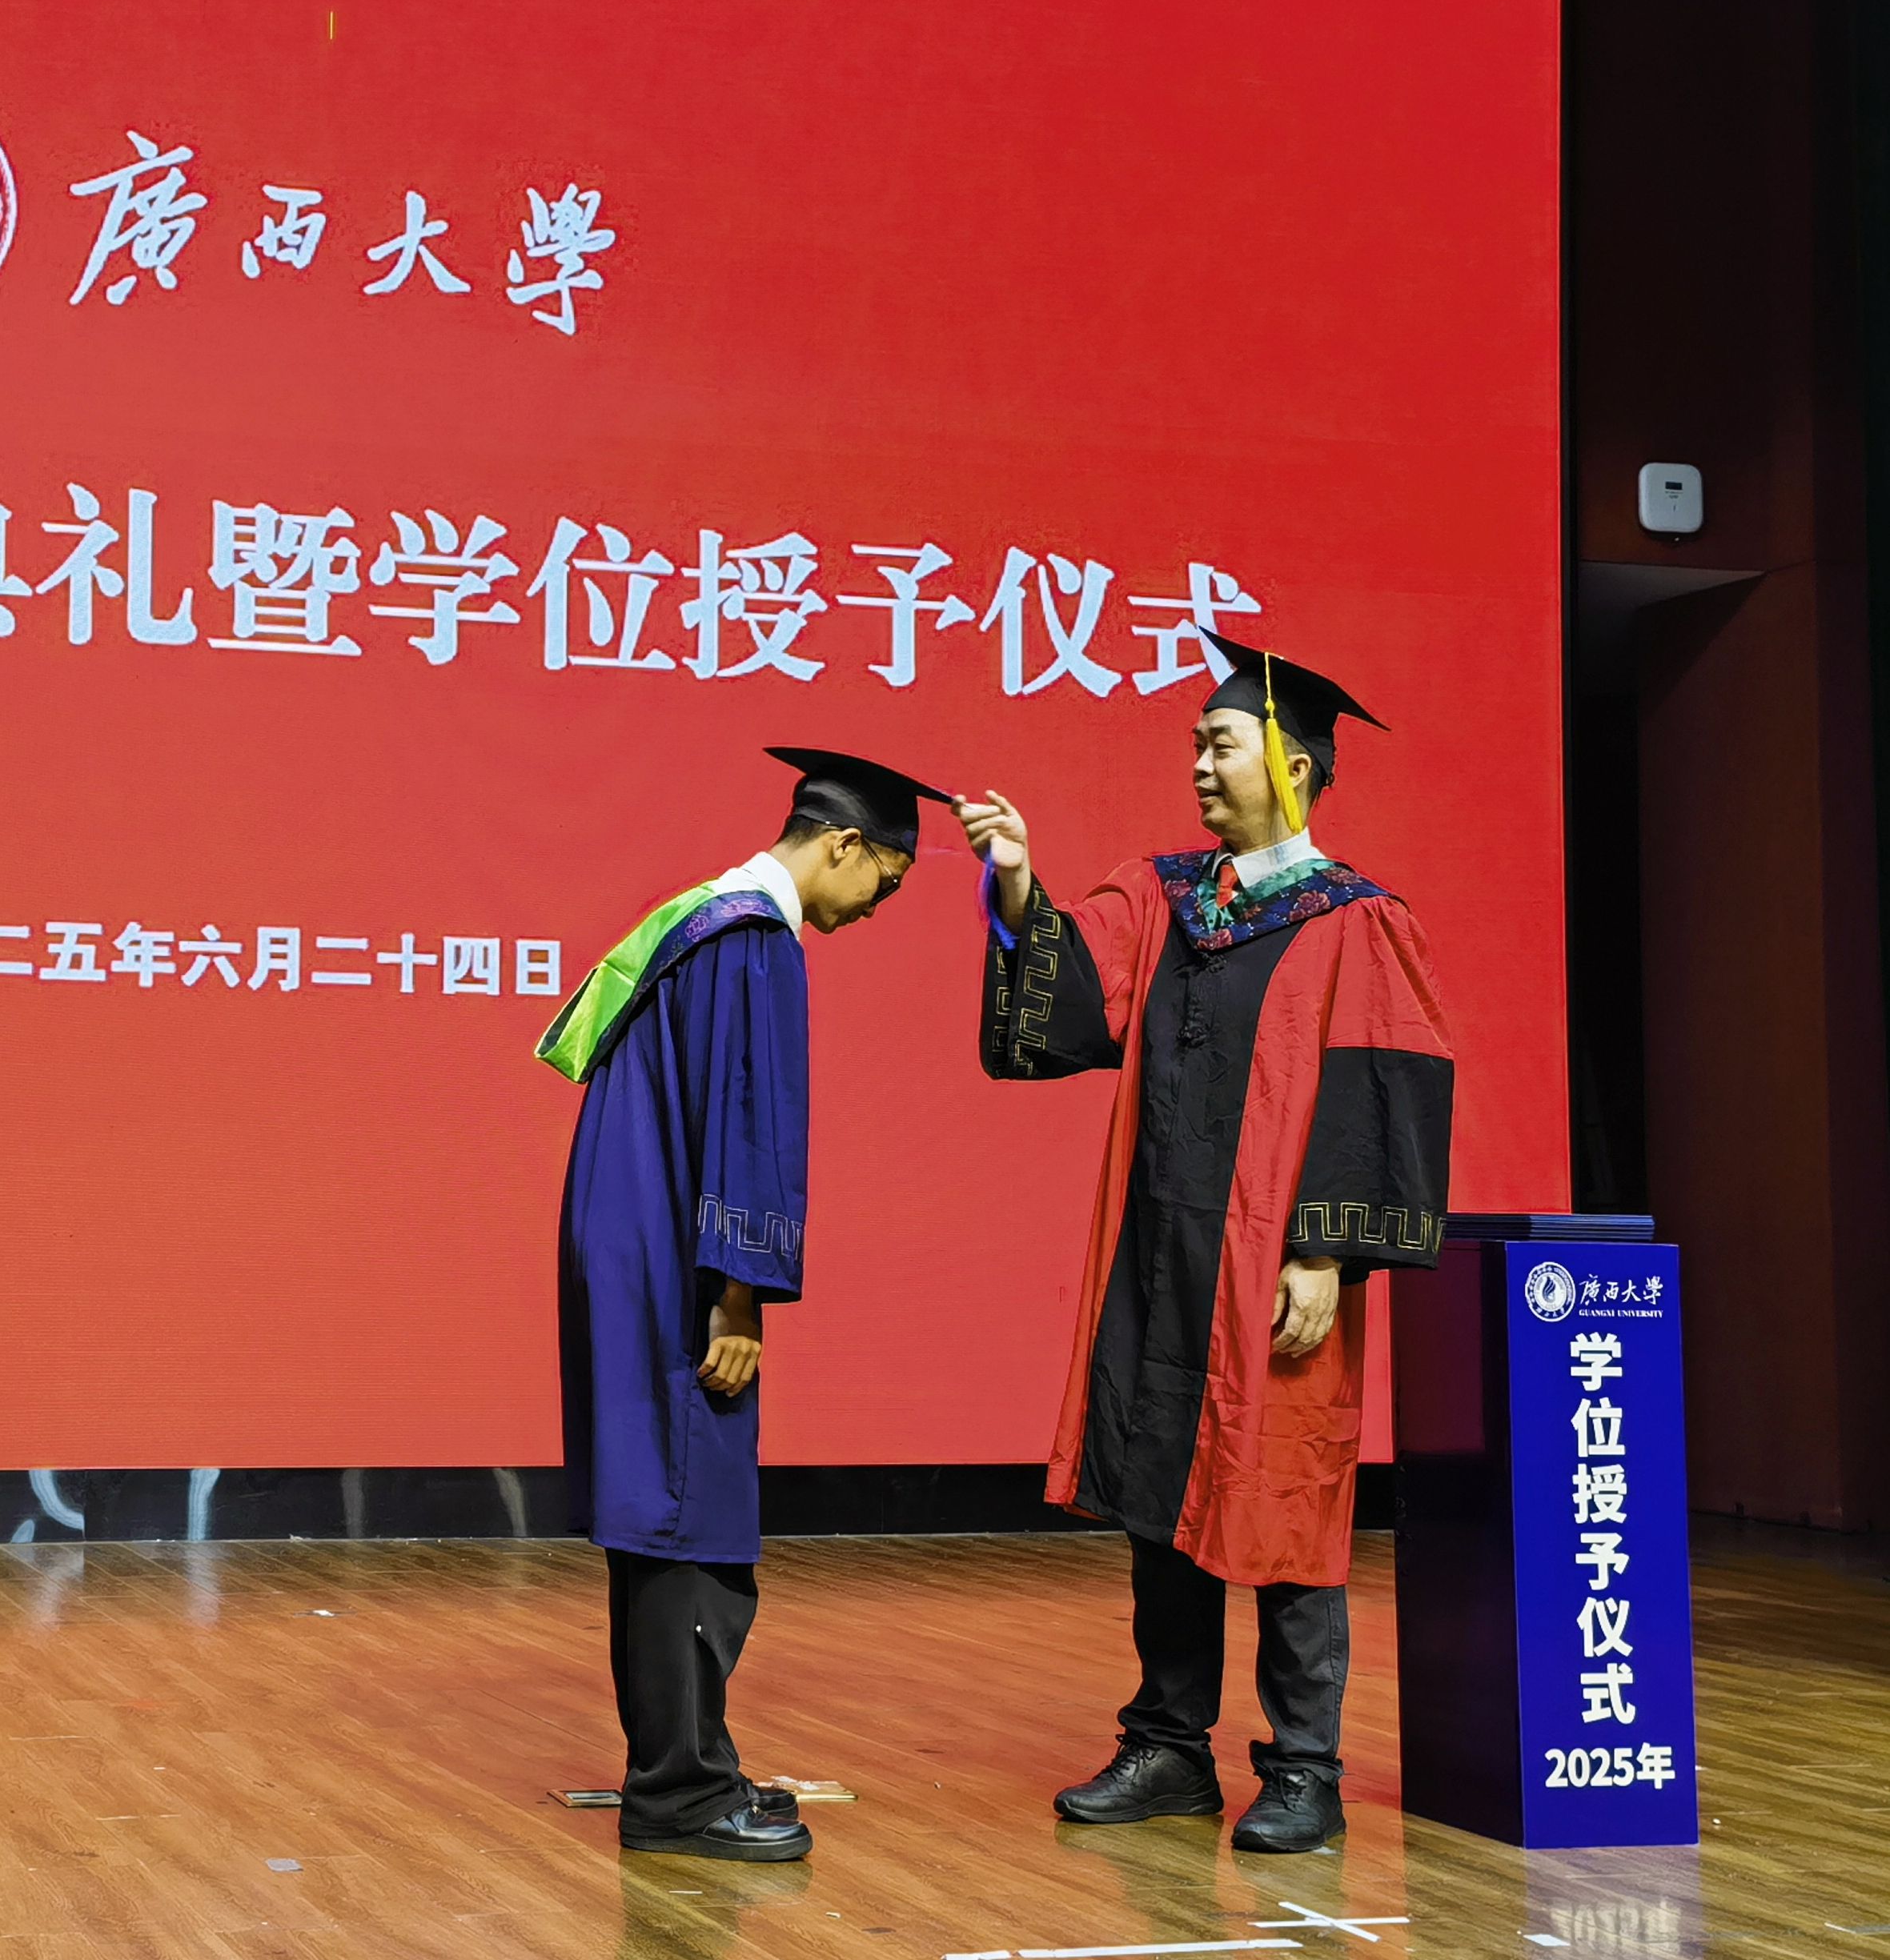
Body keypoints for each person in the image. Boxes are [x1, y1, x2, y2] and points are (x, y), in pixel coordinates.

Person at [956, 636, 1454, 1855]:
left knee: (1286, 1498)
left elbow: (1383, 1086)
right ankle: (1169, 1748)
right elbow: (1072, 995)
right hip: (1158, 1250)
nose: (1196, 763)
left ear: (1292, 765)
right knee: (1156, 1489)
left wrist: (1326, 1254)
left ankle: (1303, 1767)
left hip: (1272, 1261)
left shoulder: (1355, 919)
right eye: (1193, 743)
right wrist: (1016, 884)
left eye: (1219, 744)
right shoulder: (1165, 895)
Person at [540, 745, 949, 1862]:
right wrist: (741, 1296)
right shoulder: (753, 943)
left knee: (655, 1512)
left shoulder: (691, 923)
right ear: (844, 844)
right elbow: (748, 1127)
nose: (874, 909)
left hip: (630, 1242)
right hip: (684, 1266)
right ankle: (680, 1795)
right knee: (690, 1518)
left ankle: (687, 1769)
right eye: (885, 882)